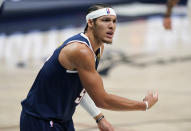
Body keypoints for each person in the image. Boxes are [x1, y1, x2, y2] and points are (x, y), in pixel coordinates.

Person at [20, 3, 158, 131]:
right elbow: (102, 100)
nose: (112, 26)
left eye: (114, 21)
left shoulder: (97, 48)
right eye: (105, 20)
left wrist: (99, 117)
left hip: (63, 120)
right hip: (40, 120)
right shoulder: (81, 51)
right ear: (91, 22)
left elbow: (80, 88)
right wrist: (143, 105)